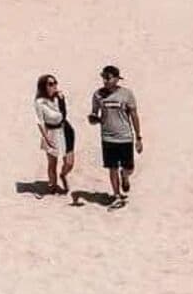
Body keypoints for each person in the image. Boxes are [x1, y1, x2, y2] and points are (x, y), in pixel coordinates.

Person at [88, 64, 143, 207]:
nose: (105, 81)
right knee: (112, 167)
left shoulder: (127, 94)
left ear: (117, 79)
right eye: (103, 77)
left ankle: (124, 176)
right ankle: (117, 195)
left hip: (125, 137)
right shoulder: (97, 95)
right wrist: (93, 119)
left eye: (108, 78)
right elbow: (94, 115)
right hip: (107, 137)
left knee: (129, 168)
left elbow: (134, 116)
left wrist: (138, 138)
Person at [34, 74, 75, 193]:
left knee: (69, 162)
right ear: (44, 87)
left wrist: (62, 99)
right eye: (50, 84)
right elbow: (40, 122)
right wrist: (46, 138)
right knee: (52, 163)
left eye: (55, 83)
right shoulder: (40, 102)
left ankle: (63, 174)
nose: (54, 86)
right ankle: (53, 185)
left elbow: (64, 114)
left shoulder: (59, 98)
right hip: (51, 132)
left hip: (65, 130)